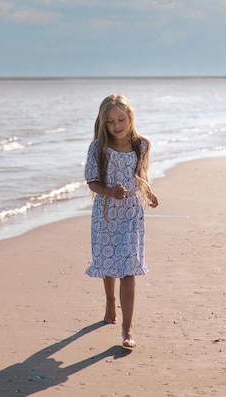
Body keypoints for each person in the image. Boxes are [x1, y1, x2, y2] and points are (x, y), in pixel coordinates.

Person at [84, 94, 159, 349]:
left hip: (131, 212)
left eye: (121, 119)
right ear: (102, 123)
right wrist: (110, 192)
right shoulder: (98, 148)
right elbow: (92, 182)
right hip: (106, 212)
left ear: (130, 118)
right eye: (110, 121)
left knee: (128, 265)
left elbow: (141, 174)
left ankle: (127, 329)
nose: (117, 125)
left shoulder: (142, 145)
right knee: (108, 260)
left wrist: (149, 193)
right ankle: (109, 300)